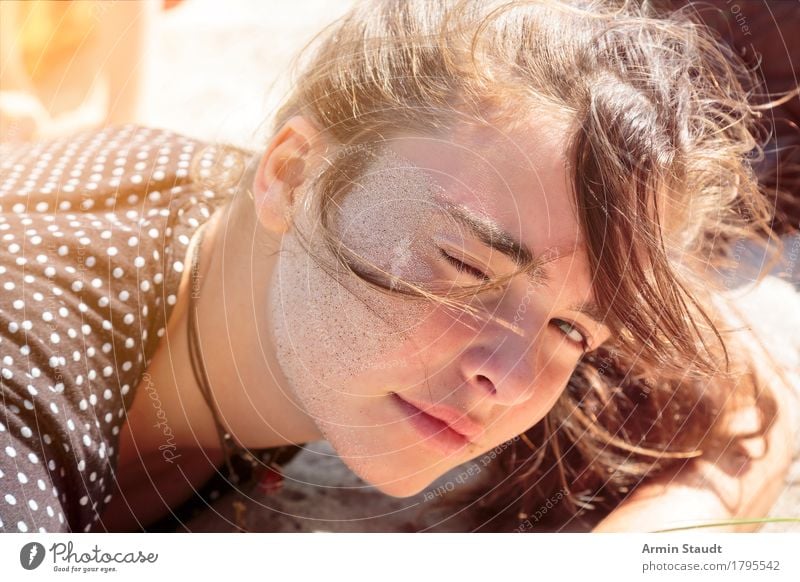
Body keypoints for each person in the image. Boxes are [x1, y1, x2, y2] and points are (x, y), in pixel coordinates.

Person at [1, 0, 798, 534]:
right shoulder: (28, 342)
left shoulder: (318, 215)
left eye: (573, 329)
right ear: (289, 172)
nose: (514, 379)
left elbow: (750, 399)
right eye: (464, 264)